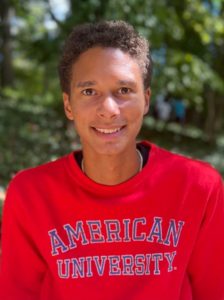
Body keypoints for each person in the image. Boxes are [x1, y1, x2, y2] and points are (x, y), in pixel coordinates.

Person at [0, 20, 224, 300]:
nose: (108, 109)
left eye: (124, 91)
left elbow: (213, 291)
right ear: (69, 105)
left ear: (146, 100)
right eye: (89, 91)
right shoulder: (30, 194)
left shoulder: (198, 187)